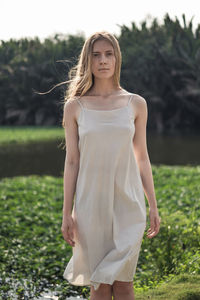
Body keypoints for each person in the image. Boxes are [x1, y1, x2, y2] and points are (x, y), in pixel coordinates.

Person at [61, 31, 161, 300]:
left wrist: (152, 205)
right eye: (96, 55)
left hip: (129, 205)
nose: (103, 60)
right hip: (90, 205)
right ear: (88, 61)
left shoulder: (135, 104)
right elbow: (72, 162)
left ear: (117, 58)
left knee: (125, 284)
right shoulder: (75, 107)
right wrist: (66, 212)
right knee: (100, 286)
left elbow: (142, 157)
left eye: (109, 54)